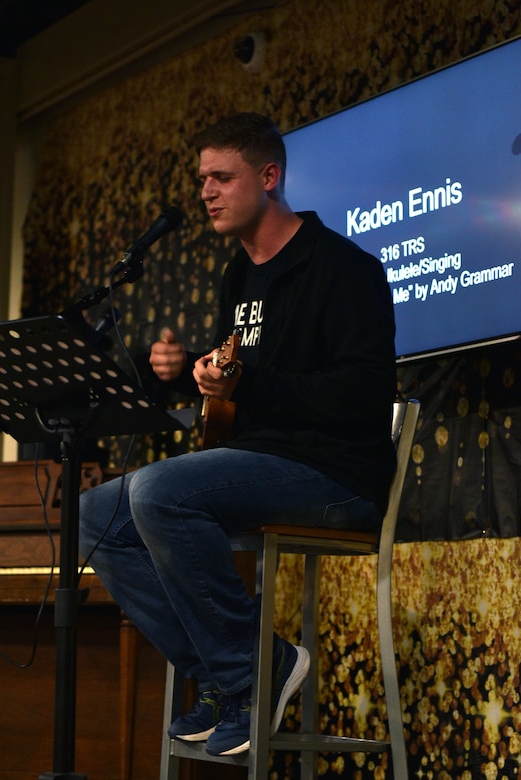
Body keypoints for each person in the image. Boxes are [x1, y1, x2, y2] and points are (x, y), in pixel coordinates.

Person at [79, 112, 397, 756]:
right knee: (94, 515)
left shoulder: (344, 268)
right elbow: (246, 379)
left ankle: (253, 671)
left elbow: (362, 394)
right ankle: (233, 676)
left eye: (222, 177)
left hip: (336, 474)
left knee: (159, 493)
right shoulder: (238, 275)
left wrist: (245, 382)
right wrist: (195, 373)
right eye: (203, 179)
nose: (206, 192)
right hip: (260, 458)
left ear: (270, 176)